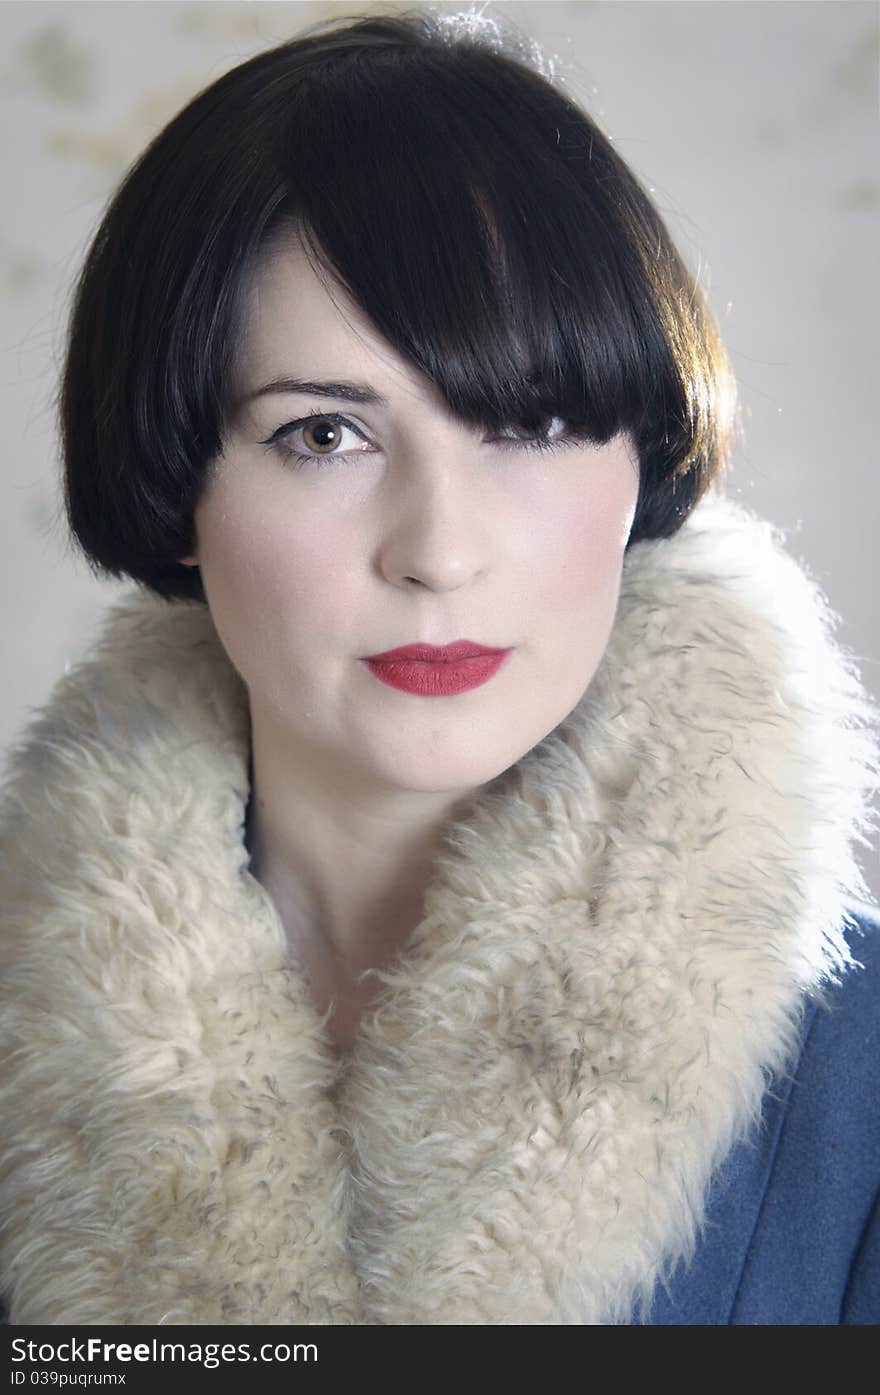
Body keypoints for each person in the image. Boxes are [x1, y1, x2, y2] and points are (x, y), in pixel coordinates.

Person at [0, 7, 877, 1327]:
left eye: (526, 420)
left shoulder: (857, 1073)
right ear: (180, 479)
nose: (440, 551)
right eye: (324, 434)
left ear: (641, 457)